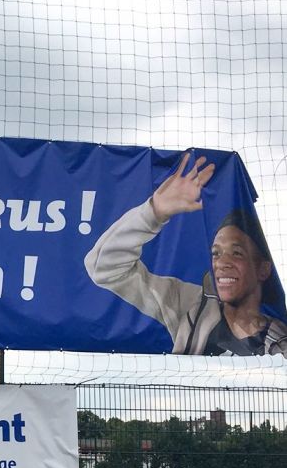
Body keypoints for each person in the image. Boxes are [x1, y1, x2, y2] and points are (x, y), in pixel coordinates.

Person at [84, 152, 287, 356]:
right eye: (216, 253)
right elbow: (105, 269)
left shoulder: (279, 344)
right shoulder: (189, 302)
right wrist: (153, 213)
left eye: (237, 253)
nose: (222, 263)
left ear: (263, 268)